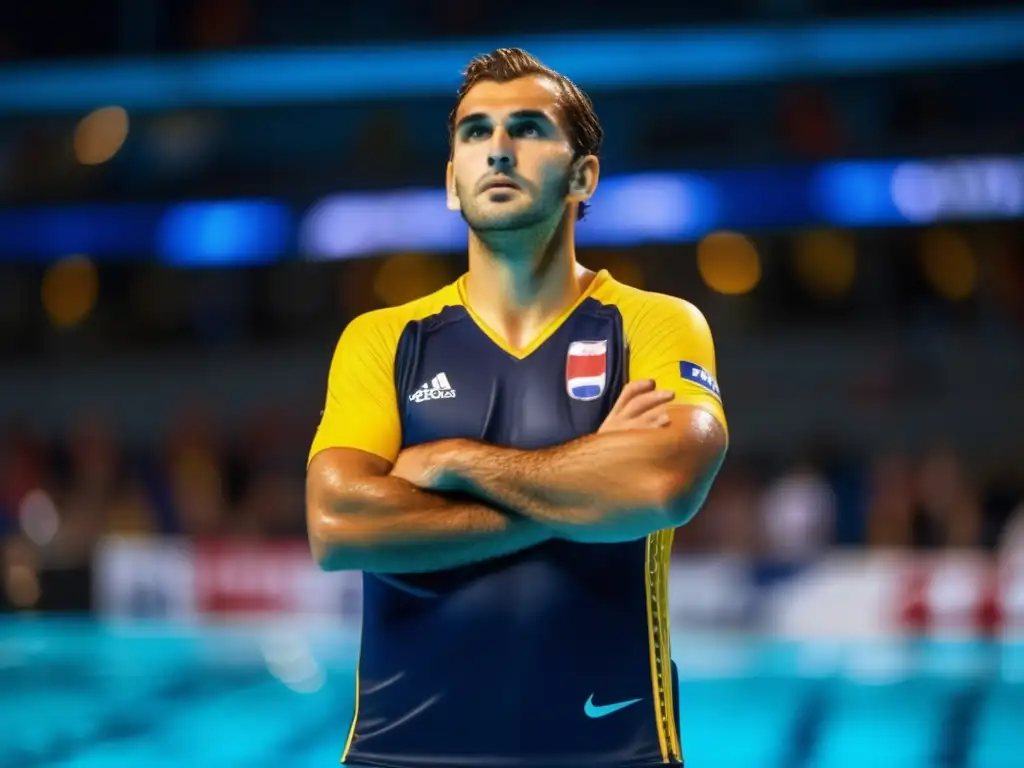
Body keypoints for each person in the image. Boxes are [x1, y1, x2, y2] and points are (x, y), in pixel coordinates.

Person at [305, 48, 728, 768]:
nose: (497, 149)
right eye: (475, 133)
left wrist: (449, 461)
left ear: (582, 175)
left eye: (527, 129)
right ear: (451, 181)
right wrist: (587, 493)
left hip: (614, 752)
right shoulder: (384, 339)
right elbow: (338, 524)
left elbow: (664, 484)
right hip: (396, 755)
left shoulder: (655, 324)